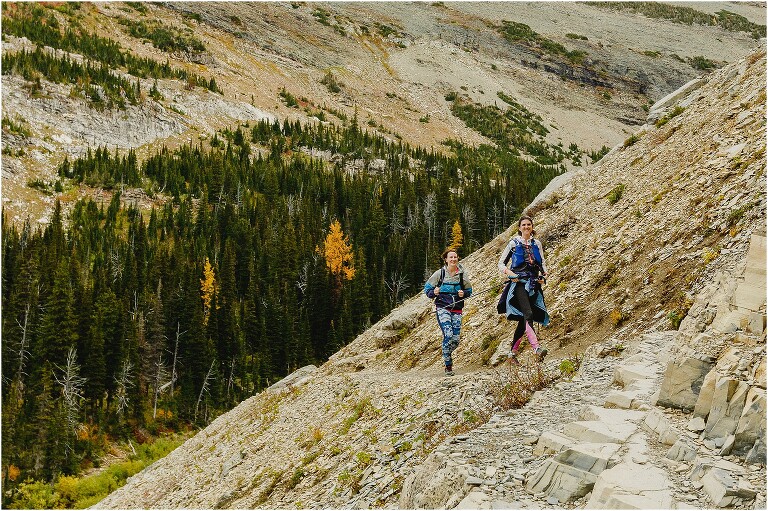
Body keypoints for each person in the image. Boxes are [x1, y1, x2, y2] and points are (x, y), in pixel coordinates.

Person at [497, 215, 550, 363]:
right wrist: (510, 273)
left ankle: (512, 354)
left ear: (532, 227)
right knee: (528, 313)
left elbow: (542, 262)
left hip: (534, 284)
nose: (526, 227)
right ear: (519, 228)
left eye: (529, 224)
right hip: (519, 283)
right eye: (524, 225)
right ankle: (536, 349)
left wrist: (544, 274)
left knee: (523, 319)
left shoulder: (537, 243)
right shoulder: (513, 243)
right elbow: (501, 264)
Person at [424, 248, 474, 376]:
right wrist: (433, 292)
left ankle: (445, 351)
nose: (453, 259)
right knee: (448, 334)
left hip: (457, 309)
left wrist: (464, 293)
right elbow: (427, 289)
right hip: (442, 307)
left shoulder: (462, 274)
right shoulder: (439, 274)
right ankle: (448, 365)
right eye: (450, 257)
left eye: (455, 257)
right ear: (446, 260)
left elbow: (469, 291)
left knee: (456, 340)